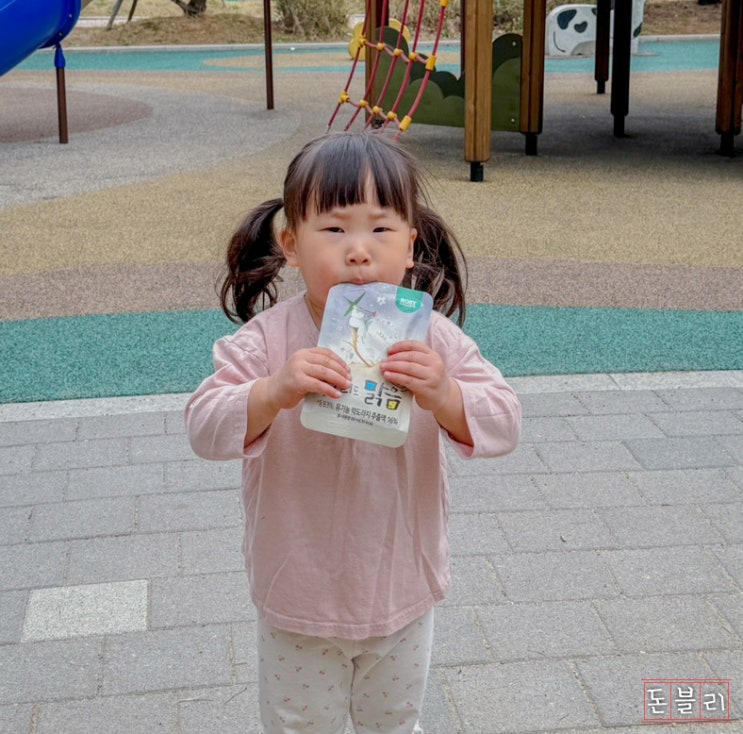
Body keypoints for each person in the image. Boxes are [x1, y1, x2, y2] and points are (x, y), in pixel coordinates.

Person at [185, 130, 521, 734]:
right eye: (335, 229)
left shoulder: (432, 339)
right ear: (292, 245)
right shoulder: (266, 342)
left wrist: (446, 394)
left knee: (394, 723)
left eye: (381, 229)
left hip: (401, 590)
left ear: (411, 244)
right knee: (299, 725)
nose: (359, 251)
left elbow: (505, 419)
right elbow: (204, 426)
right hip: (298, 597)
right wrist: (272, 391)